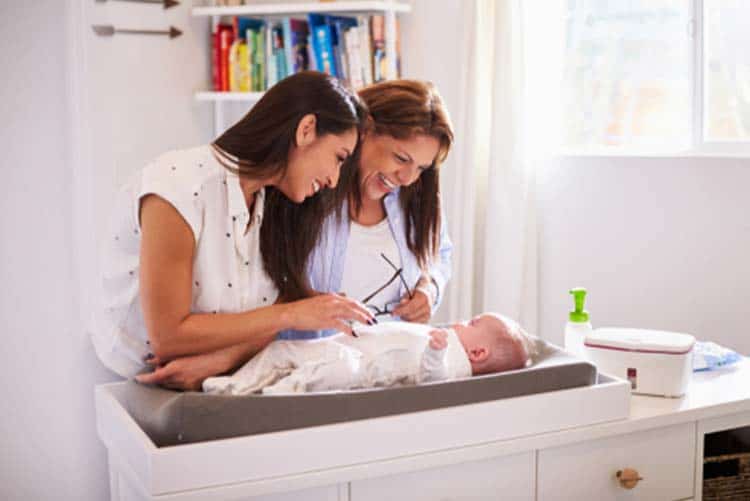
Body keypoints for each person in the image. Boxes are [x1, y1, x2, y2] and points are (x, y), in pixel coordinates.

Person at [90, 72, 375, 389]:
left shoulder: (272, 204)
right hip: (124, 384)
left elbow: (262, 318)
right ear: (306, 130)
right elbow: (168, 336)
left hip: (206, 384)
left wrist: (221, 360)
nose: (334, 180)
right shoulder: (177, 187)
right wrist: (291, 315)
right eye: (338, 158)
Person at [278, 79, 455, 341]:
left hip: (391, 367)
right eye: (401, 158)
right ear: (366, 129)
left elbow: (440, 253)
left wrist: (430, 288)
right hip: (312, 369)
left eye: (421, 168)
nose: (407, 178)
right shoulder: (308, 188)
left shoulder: (417, 199)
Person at [202, 313, 537, 395]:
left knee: (323, 371)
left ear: (478, 352)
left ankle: (275, 394)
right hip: (345, 342)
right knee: (281, 349)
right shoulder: (443, 336)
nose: (462, 320)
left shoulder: (451, 360)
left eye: (471, 322)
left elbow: (434, 383)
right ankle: (233, 385)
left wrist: (435, 352)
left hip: (357, 366)